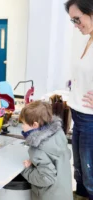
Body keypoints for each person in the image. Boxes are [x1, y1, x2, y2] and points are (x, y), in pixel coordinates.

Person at [65, 1, 93, 199]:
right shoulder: (88, 39)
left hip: (90, 121)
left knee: (90, 177)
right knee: (80, 173)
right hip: (79, 117)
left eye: (77, 19)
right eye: (72, 20)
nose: (75, 24)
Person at [20, 100, 73, 200]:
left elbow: (46, 178)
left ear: (35, 125)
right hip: (64, 194)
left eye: (23, 123)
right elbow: (67, 155)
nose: (22, 126)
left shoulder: (38, 150)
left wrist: (28, 170)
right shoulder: (59, 135)